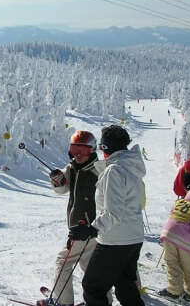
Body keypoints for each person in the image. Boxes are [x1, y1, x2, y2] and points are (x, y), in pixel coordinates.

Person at [70, 125, 146, 306]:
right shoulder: (131, 167)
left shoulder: (114, 171)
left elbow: (114, 212)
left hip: (115, 240)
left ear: (105, 147)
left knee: (92, 287)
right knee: (125, 285)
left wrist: (91, 229)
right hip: (133, 237)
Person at [39, 131, 110, 306]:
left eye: (83, 150)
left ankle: (63, 302)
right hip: (83, 229)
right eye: (74, 149)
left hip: (87, 229)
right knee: (90, 267)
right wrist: (57, 180)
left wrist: (92, 226)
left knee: (63, 262)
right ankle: (102, 301)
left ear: (92, 150)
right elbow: (62, 188)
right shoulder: (73, 168)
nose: (78, 154)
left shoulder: (98, 171)